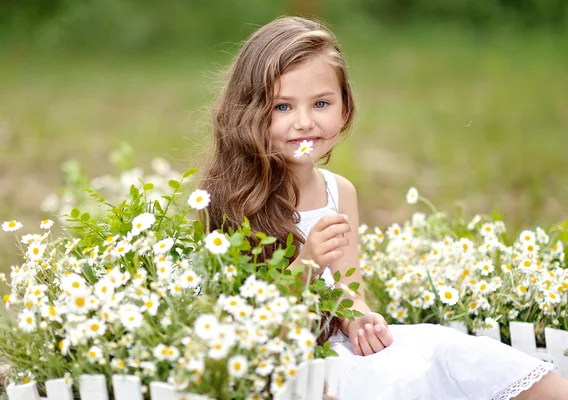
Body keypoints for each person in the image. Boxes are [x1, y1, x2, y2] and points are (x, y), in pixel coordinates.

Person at [200, 16, 568, 399]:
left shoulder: (339, 192)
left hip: (341, 347)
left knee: (446, 349)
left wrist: (358, 318)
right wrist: (307, 264)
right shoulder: (232, 198)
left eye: (321, 103)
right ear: (250, 113)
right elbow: (246, 322)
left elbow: (347, 289)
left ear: (344, 110)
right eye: (283, 107)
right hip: (294, 369)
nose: (305, 123)